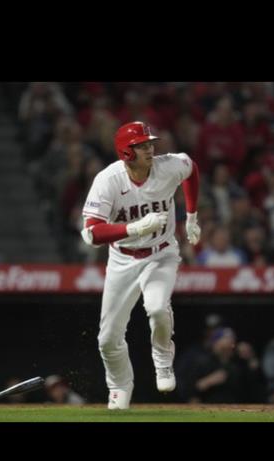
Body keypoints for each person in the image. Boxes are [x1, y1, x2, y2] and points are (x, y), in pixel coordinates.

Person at [80, 121, 201, 410]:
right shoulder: (108, 179)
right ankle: (120, 385)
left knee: (157, 307)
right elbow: (91, 233)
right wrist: (133, 229)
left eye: (151, 143)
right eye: (142, 145)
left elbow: (191, 169)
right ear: (126, 152)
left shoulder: (168, 166)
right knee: (108, 339)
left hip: (161, 254)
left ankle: (162, 359)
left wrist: (192, 215)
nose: (151, 149)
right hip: (122, 259)